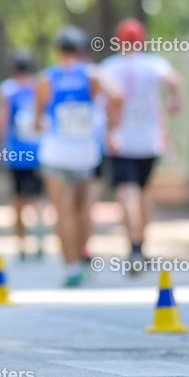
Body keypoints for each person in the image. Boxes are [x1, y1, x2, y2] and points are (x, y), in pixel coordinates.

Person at [34, 26, 121, 287]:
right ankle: (83, 259)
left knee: (63, 212)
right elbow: (118, 96)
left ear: (57, 50)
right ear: (83, 50)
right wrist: (111, 128)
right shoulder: (93, 74)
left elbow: (38, 119)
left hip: (56, 154)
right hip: (87, 153)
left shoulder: (46, 79)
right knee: (84, 210)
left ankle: (71, 267)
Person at [101, 18, 180, 272]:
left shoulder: (109, 67)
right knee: (144, 193)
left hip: (121, 141)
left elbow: (102, 101)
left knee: (127, 194)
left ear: (118, 40)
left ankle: (134, 249)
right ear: (142, 39)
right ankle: (141, 247)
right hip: (150, 140)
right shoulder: (154, 64)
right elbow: (174, 81)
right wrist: (175, 101)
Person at [0, 51, 45, 260]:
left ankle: (21, 242)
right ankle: (40, 238)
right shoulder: (39, 87)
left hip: (16, 152)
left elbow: (2, 119)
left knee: (17, 197)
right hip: (38, 150)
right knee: (38, 198)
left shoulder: (7, 89)